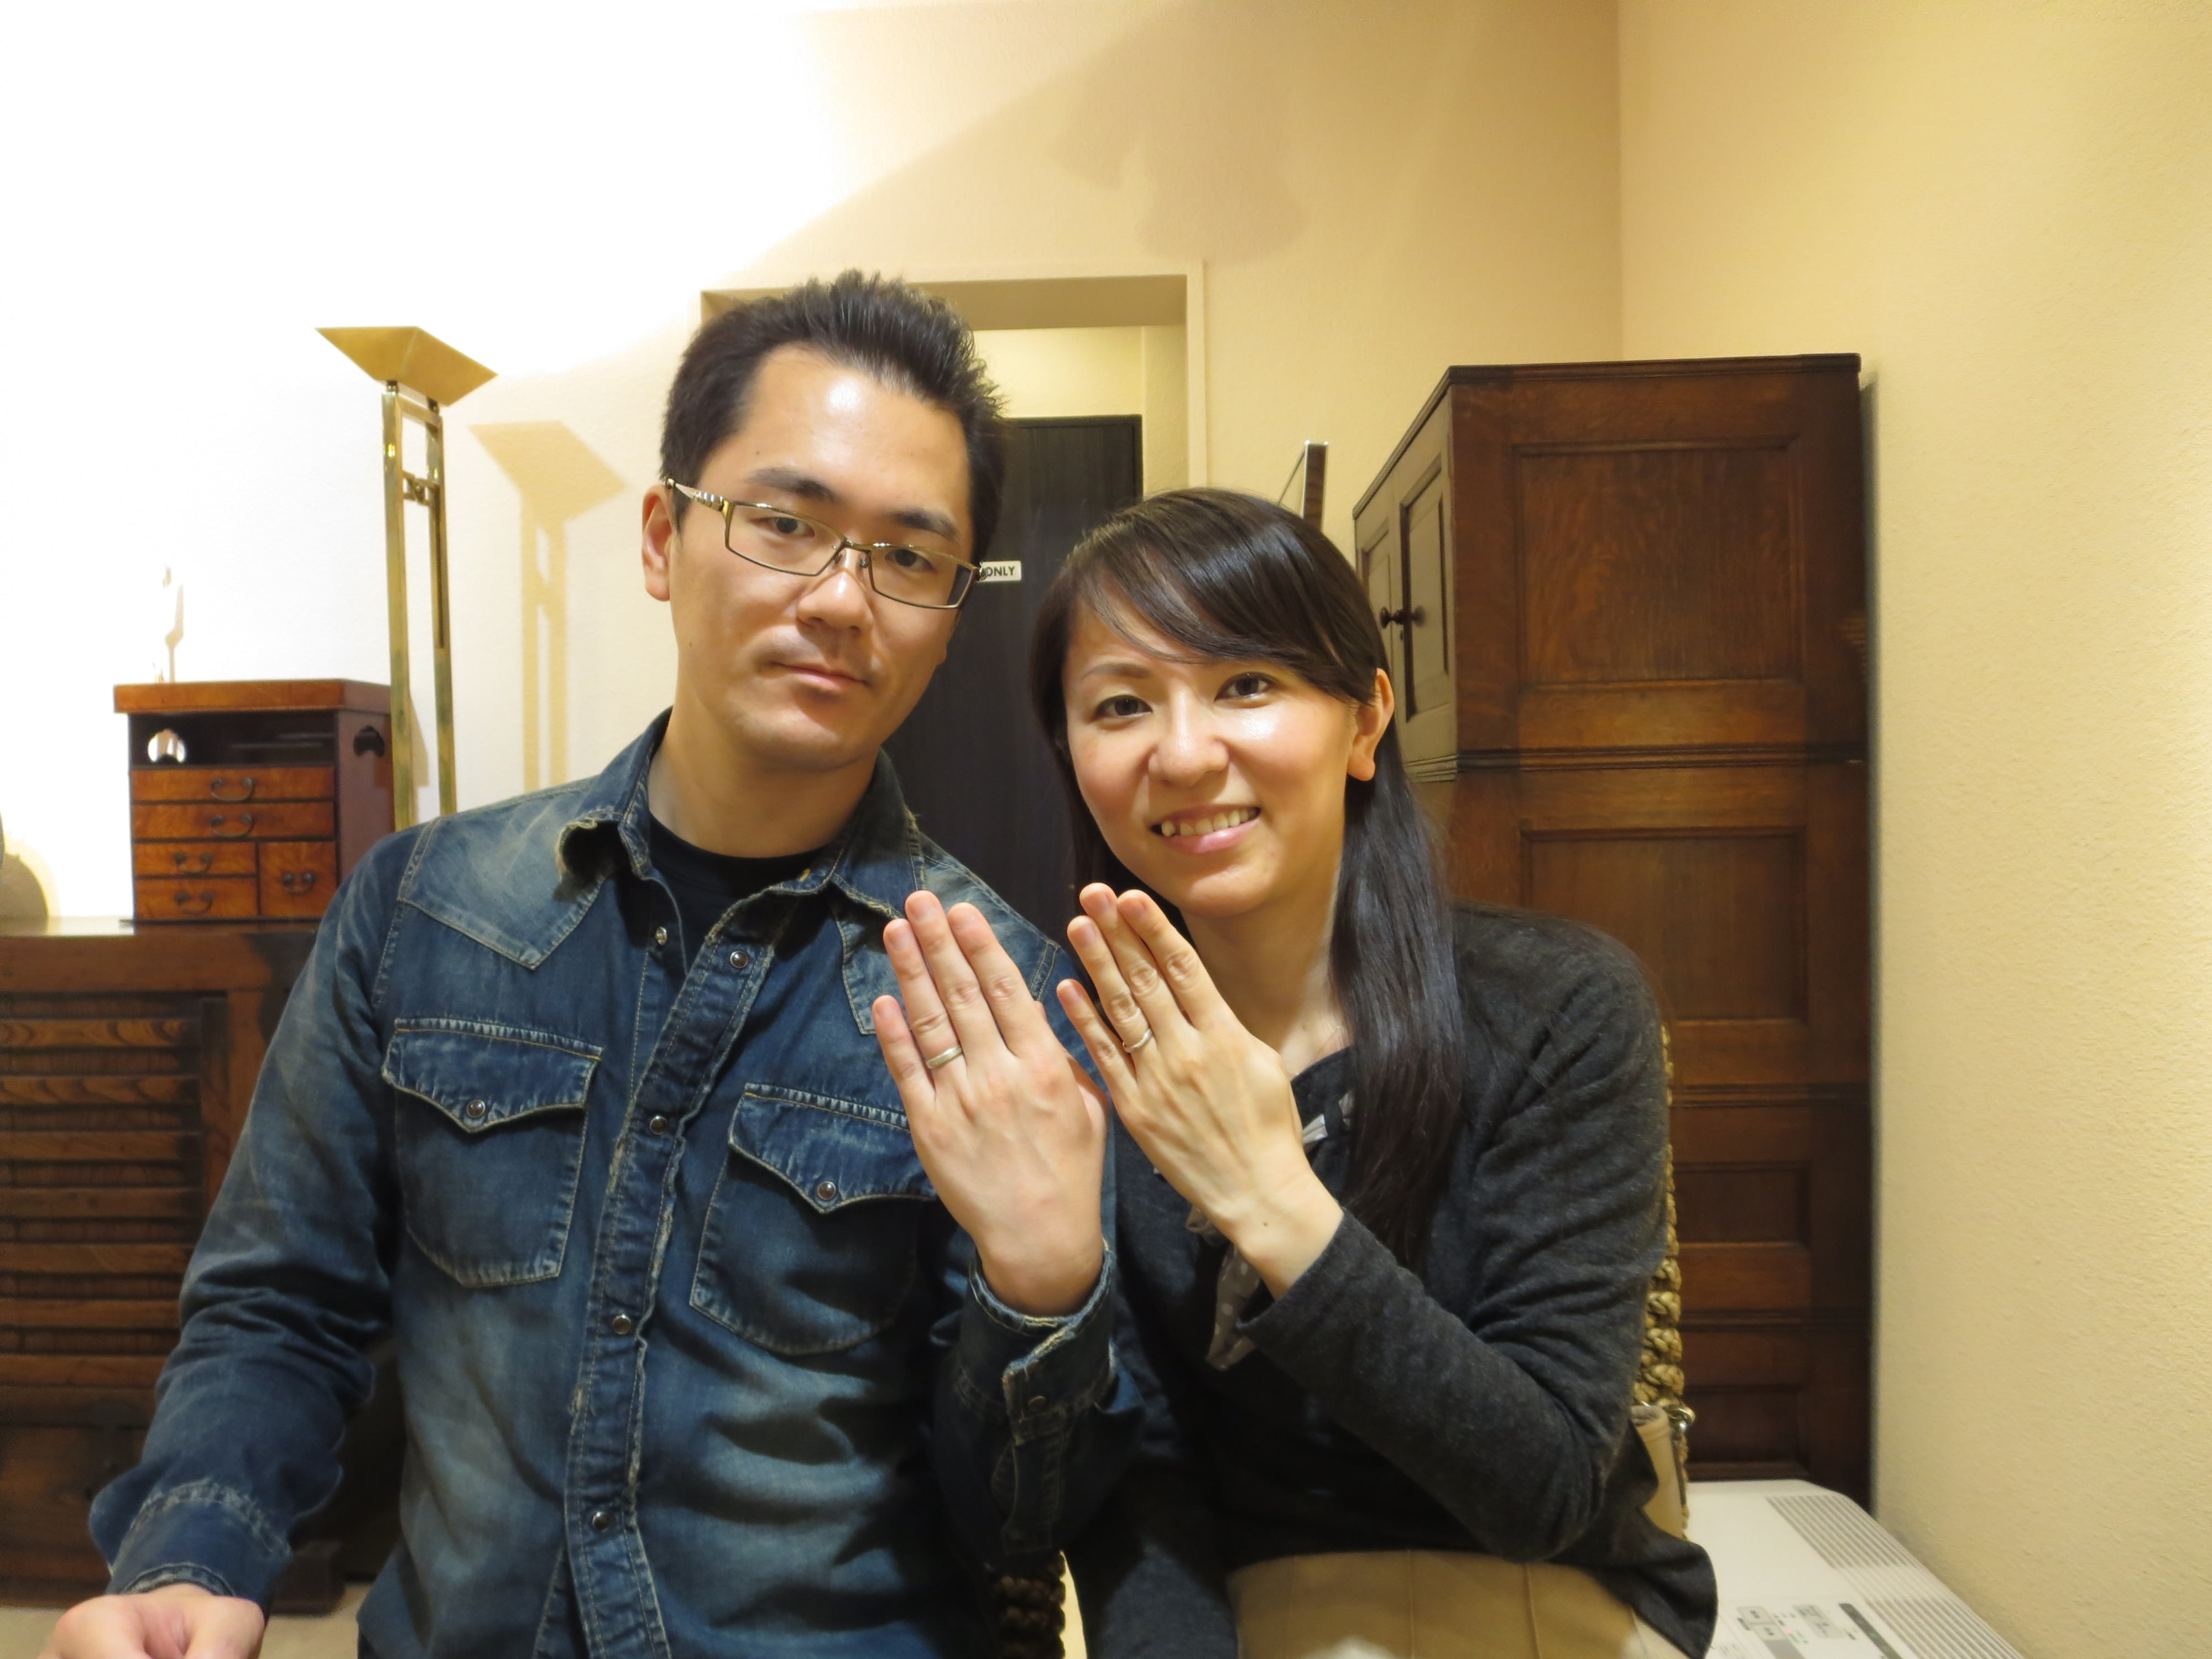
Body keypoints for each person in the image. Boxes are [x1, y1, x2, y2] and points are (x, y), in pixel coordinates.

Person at [43, 273, 1129, 1659]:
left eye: (909, 558)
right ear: (665, 539)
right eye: (785, 523)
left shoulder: (1000, 1004)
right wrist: (190, 1560)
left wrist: (1045, 1290)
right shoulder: (422, 910)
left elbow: (1018, 1530)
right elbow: (281, 1304)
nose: (841, 599)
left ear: (951, 611)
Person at [892, 488, 1718, 1658]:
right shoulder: (1071, 1063)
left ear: (1365, 721)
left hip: (1548, 1601)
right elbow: (1136, 1505)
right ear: (1070, 755)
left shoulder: (1555, 1008)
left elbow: (1547, 1490)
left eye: (1246, 684)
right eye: (1121, 704)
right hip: (1260, 1615)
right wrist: (1038, 1282)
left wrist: (1270, 1199)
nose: (1184, 754)